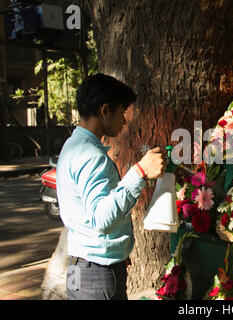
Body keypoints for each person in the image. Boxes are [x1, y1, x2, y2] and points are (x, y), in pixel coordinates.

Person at [56, 73, 165, 300]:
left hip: (80, 267)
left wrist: (114, 250)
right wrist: (140, 172)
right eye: (121, 113)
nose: (124, 121)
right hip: (96, 276)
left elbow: (86, 213)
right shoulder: (92, 156)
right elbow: (100, 218)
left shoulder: (72, 145)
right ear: (105, 110)